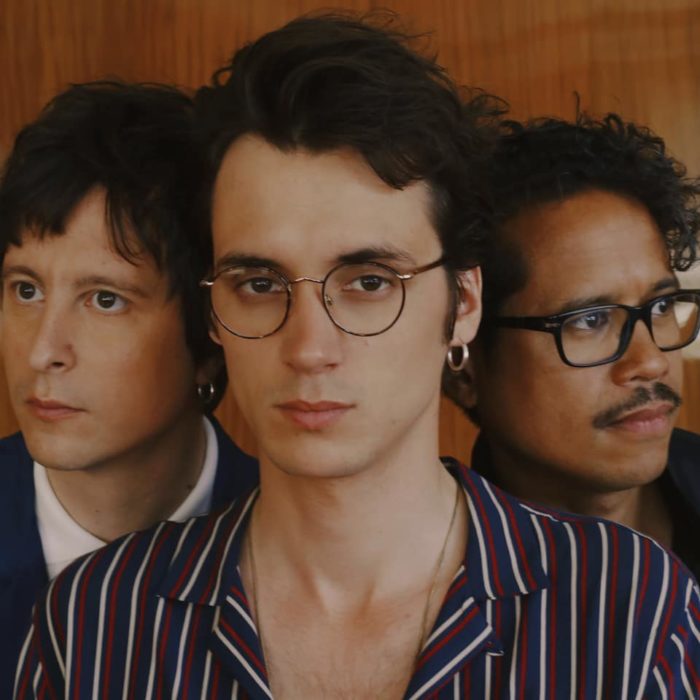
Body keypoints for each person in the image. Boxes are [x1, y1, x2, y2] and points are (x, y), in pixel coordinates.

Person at [15, 16, 700, 699]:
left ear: (463, 302)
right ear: (213, 314)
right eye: (260, 284)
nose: (309, 348)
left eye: (369, 283)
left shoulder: (633, 610)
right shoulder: (94, 622)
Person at [0, 80, 257, 696]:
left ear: (209, 340)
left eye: (105, 300)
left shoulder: (295, 544)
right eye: (25, 290)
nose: (43, 351)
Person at [443, 112, 700, 580]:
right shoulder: (430, 584)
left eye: (661, 306)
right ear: (465, 371)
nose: (651, 362)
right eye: (590, 320)